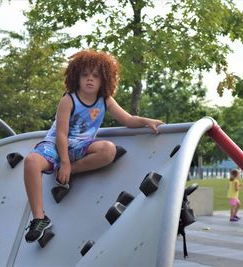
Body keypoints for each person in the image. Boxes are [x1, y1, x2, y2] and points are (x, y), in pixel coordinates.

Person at [23, 49, 163, 243]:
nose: (90, 79)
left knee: (109, 150)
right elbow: (61, 134)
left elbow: (128, 119)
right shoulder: (68, 99)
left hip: (81, 146)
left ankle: (69, 172)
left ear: (104, 79)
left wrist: (146, 121)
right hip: (56, 145)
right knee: (31, 161)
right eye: (85, 75)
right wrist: (63, 161)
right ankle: (39, 218)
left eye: (96, 76)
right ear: (76, 76)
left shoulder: (104, 100)